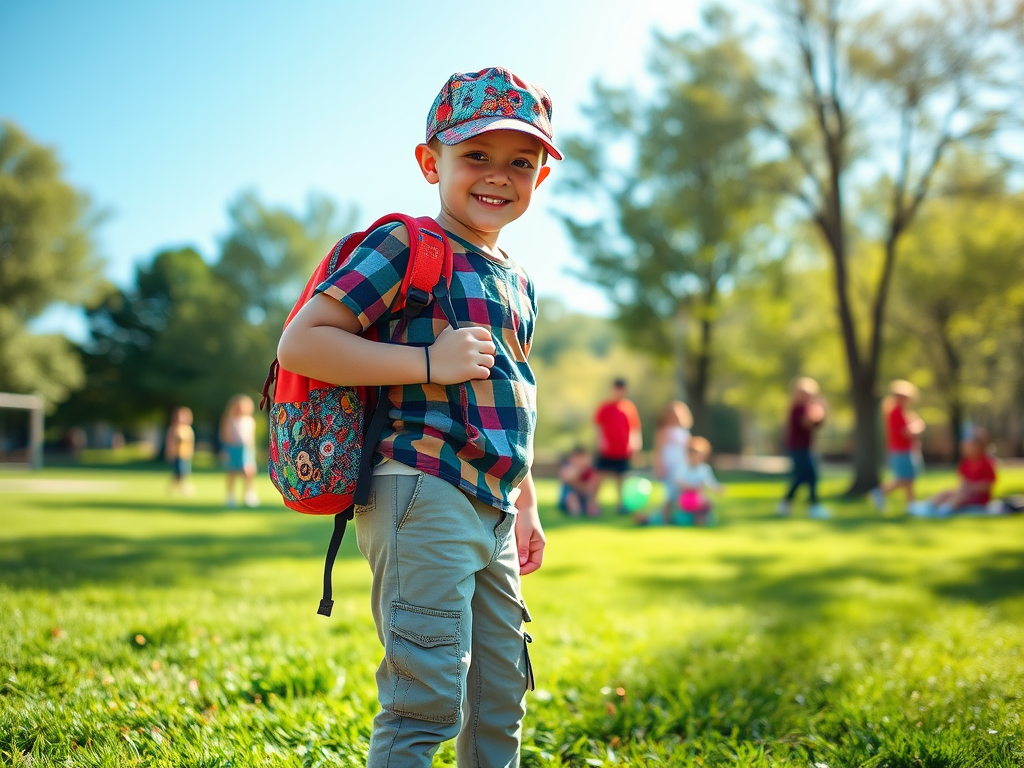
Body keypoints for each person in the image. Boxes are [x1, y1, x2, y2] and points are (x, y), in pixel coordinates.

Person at [275, 67, 556, 767]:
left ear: (541, 177)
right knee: (426, 693)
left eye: (520, 162)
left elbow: (512, 392)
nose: (498, 176)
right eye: (476, 157)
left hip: (491, 508)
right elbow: (303, 342)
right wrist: (429, 362)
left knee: (500, 694)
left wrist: (527, 501)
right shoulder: (405, 247)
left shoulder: (517, 276)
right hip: (420, 488)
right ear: (431, 161)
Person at [910, 430, 997, 517]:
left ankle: (944, 510)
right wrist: (963, 488)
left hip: (980, 498)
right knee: (946, 493)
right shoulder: (966, 463)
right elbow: (963, 480)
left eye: (970, 446)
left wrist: (972, 488)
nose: (966, 449)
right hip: (965, 492)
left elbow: (988, 484)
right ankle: (928, 506)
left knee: (961, 497)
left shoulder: (986, 463)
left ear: (980, 447)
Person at [777, 377, 830, 519]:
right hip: (798, 447)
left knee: (804, 476)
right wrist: (819, 411)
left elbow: (816, 424)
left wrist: (819, 413)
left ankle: (787, 502)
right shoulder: (798, 408)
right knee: (809, 476)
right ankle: (813, 505)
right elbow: (808, 423)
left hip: (807, 447)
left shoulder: (806, 408)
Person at [871, 380, 925, 512]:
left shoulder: (902, 411)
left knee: (908, 479)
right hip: (900, 450)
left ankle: (911, 505)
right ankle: (880, 492)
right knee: (904, 478)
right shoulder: (895, 412)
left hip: (904, 449)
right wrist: (918, 426)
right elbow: (905, 432)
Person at [593, 378, 643, 514]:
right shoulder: (605, 407)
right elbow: (598, 427)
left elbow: (635, 428)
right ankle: (594, 504)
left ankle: (621, 504)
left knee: (621, 478)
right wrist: (600, 442)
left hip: (623, 450)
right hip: (607, 450)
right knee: (600, 476)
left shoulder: (629, 407)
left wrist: (636, 444)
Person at [653, 400, 692, 524]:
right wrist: (659, 466)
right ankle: (664, 517)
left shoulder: (685, 432)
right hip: (668, 465)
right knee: (668, 493)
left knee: (680, 492)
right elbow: (658, 450)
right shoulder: (664, 431)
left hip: (681, 467)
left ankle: (679, 516)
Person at [220, 394, 258, 508]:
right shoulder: (230, 420)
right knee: (232, 472)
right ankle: (230, 496)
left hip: (246, 449)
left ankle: (249, 494)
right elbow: (225, 436)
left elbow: (251, 438)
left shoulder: (250, 420)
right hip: (233, 448)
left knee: (248, 472)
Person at [673, 436, 721, 526]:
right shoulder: (682, 467)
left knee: (706, 501)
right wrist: (693, 488)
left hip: (699, 499)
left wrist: (718, 489)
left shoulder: (704, 469)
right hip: (685, 498)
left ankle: (700, 520)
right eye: (694, 452)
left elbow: (710, 484)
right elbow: (680, 483)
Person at [558, 445, 598, 516]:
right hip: (568, 498)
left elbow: (590, 487)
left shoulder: (589, 471)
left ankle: (591, 511)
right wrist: (579, 470)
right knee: (571, 497)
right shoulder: (567, 468)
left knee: (590, 499)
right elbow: (567, 479)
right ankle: (576, 512)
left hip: (583, 495)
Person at [165, 406, 195, 496]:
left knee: (184, 472)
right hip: (176, 454)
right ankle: (181, 488)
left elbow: (191, 443)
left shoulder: (188, 429)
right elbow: (169, 442)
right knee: (179, 473)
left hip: (185, 454)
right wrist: (169, 453)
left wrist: (190, 453)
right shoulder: (174, 429)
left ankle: (182, 487)